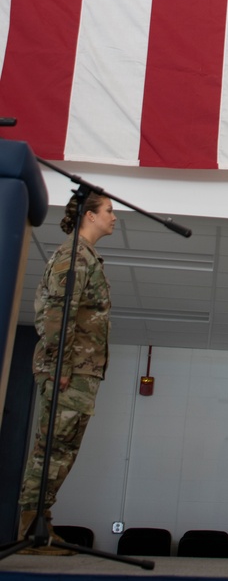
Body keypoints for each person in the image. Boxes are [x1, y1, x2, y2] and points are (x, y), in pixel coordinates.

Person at [18, 189, 115, 550]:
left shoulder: (86, 257)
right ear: (89, 215)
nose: (113, 217)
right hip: (68, 370)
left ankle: (40, 527)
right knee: (52, 450)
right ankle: (31, 531)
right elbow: (58, 313)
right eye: (108, 210)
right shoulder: (73, 257)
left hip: (80, 370)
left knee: (63, 450)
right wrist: (60, 364)